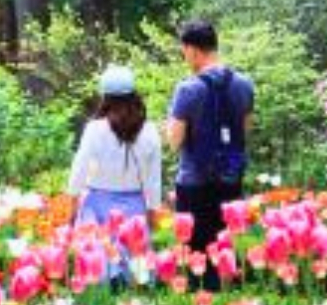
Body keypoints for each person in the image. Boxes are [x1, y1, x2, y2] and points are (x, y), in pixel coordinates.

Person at [165, 20, 254, 291]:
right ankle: (228, 297)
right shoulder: (244, 84)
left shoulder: (188, 89)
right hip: (231, 178)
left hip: (195, 182)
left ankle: (200, 304)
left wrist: (168, 128)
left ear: (192, 50)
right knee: (225, 243)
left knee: (197, 252)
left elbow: (174, 141)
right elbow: (245, 131)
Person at [67, 65, 163, 229]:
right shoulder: (149, 130)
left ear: (105, 97)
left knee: (96, 253)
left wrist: (73, 208)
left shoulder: (94, 129)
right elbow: (153, 180)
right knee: (132, 254)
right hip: (134, 211)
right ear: (134, 95)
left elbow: (79, 169)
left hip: (96, 208)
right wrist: (153, 214)